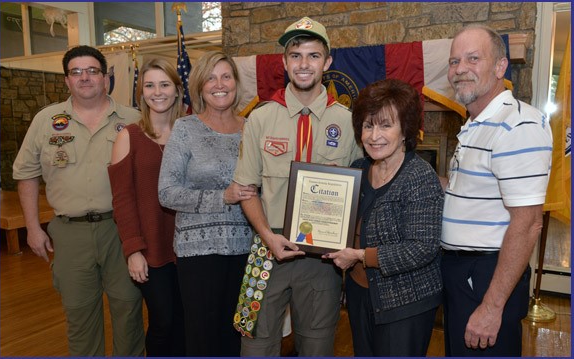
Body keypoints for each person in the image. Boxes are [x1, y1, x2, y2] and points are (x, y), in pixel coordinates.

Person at [233, 17, 363, 356]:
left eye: (313, 55)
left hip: (323, 260)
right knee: (256, 344)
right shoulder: (260, 118)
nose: (304, 64)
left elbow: (361, 190)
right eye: (296, 55)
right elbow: (246, 189)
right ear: (284, 62)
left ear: (327, 63)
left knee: (317, 346)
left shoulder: (348, 122)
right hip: (267, 247)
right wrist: (266, 235)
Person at [12, 45, 144, 356]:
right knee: (80, 315)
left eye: (92, 71)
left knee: (129, 311)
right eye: (76, 72)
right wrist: (32, 228)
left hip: (121, 231)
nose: (85, 77)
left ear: (105, 78)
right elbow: (26, 175)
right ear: (67, 80)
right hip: (69, 233)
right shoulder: (46, 121)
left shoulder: (134, 118)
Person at [441, 24, 553, 356]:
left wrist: (492, 307)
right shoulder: (476, 123)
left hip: (487, 277)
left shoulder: (518, 125)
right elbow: (475, 192)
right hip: (462, 275)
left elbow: (529, 222)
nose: (460, 69)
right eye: (454, 61)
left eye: (473, 58)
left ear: (500, 67)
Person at [323, 78, 444, 356]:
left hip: (406, 301)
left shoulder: (420, 176)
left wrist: (362, 256)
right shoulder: (357, 168)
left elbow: (422, 248)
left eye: (385, 125)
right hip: (359, 293)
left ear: (405, 131)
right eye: (368, 125)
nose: (374, 135)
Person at [157, 51, 256, 357]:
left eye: (226, 76)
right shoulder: (185, 129)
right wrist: (222, 197)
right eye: (210, 78)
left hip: (248, 250)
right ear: (199, 87)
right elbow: (167, 192)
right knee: (202, 336)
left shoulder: (253, 128)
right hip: (198, 253)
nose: (219, 84)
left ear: (236, 84)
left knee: (240, 334)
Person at [108, 58, 186, 356]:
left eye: (165, 84)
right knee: (163, 321)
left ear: (177, 91)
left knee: (186, 321)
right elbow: (123, 199)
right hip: (151, 249)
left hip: (189, 247)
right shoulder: (129, 136)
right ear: (141, 93)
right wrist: (133, 250)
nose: (158, 92)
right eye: (150, 85)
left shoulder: (189, 132)